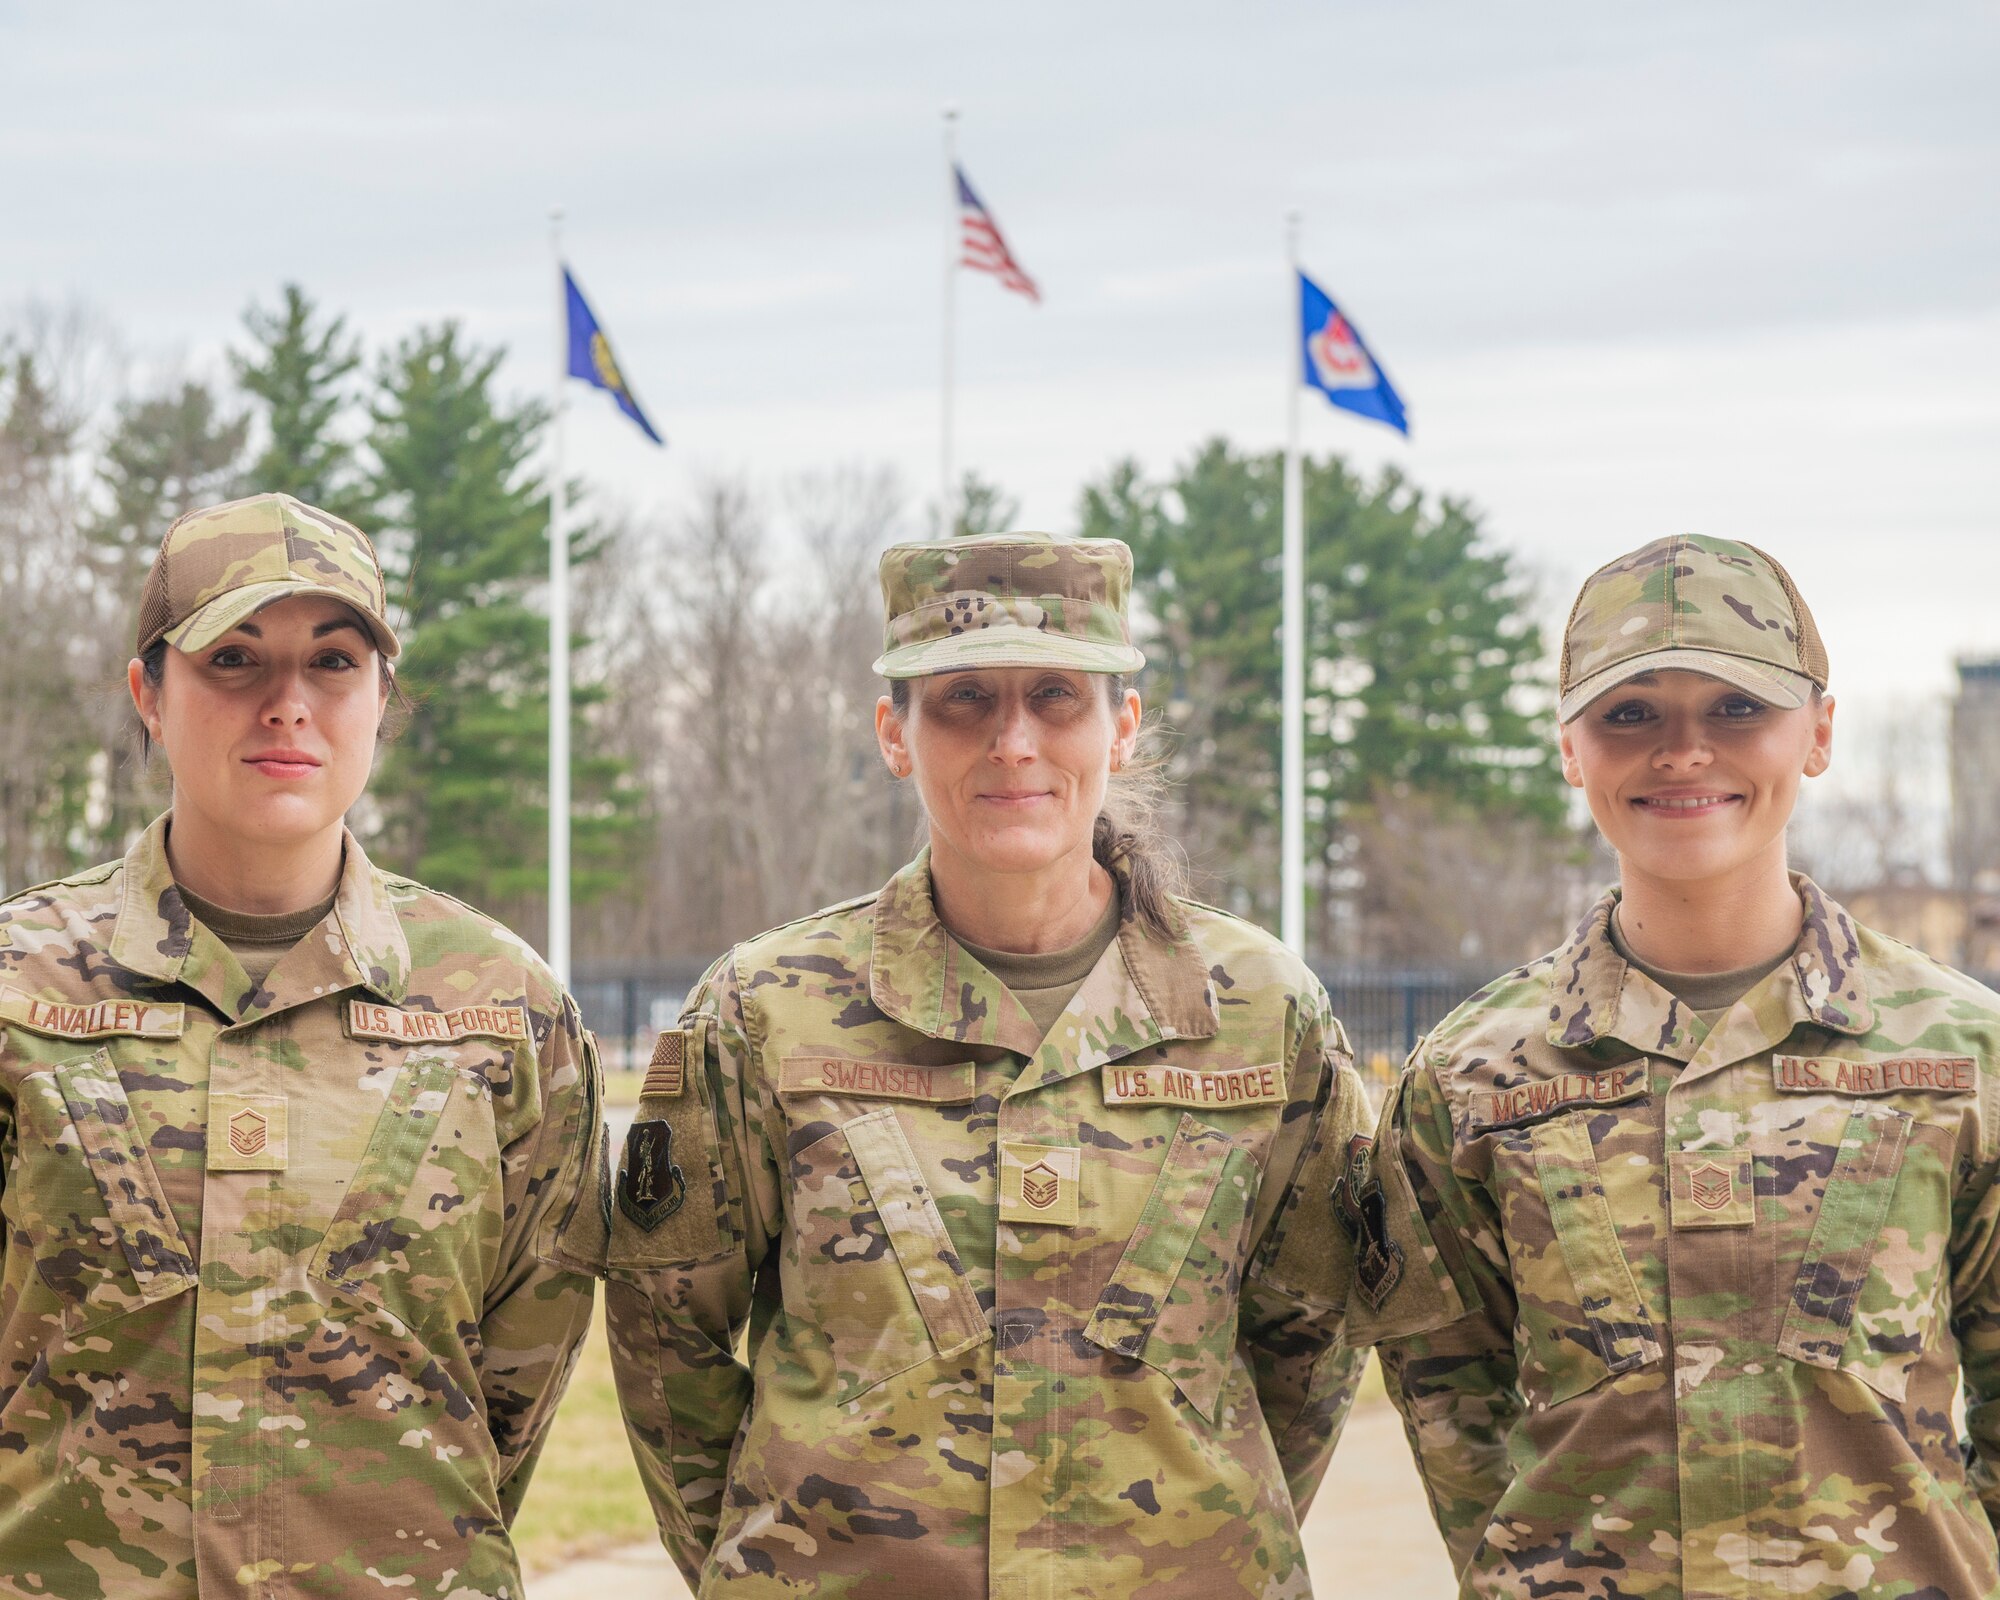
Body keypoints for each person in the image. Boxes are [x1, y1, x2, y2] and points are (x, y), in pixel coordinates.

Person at [604, 532, 1374, 1597]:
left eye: (1055, 695)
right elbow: (663, 1342)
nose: (1012, 741)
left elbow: (1313, 1339)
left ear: (1122, 727)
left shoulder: (1256, 1009)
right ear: (894, 733)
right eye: (963, 697)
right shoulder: (765, 1009)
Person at [1351, 533, 2000, 1598]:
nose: (1682, 750)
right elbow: (1446, 1400)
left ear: (1818, 732)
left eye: (1735, 708)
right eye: (1629, 713)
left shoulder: (1958, 1054)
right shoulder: (1473, 1076)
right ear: (1570, 747)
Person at [0, 493, 605, 1597]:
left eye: (332, 660)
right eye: (233, 658)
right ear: (149, 693)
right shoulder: (18, 989)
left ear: (381, 699)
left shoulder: (503, 1009)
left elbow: (513, 1382)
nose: (288, 704)